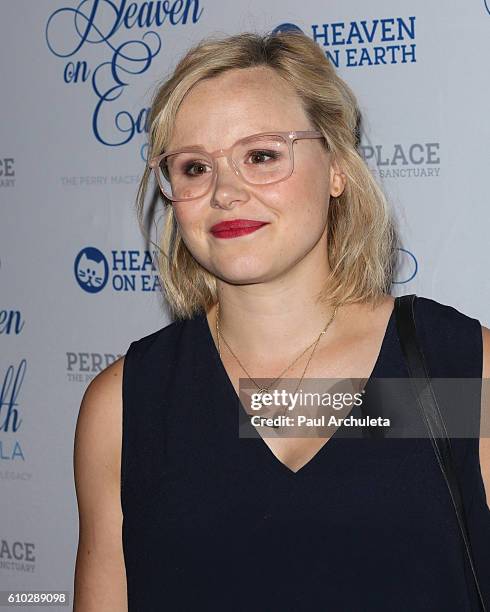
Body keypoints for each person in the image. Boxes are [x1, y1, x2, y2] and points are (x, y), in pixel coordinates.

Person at [72, 31, 490, 611]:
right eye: (194, 167)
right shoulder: (124, 406)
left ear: (337, 168)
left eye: (261, 155)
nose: (225, 192)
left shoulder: (459, 371)